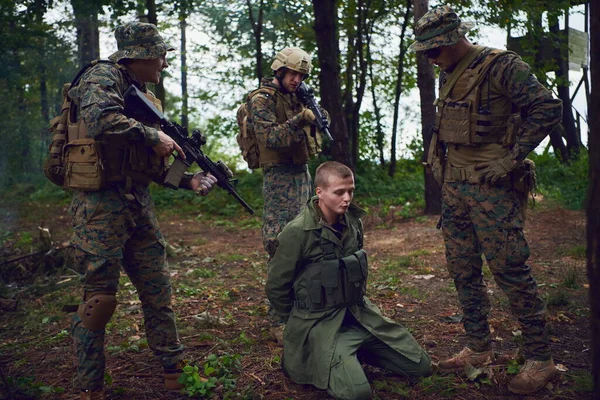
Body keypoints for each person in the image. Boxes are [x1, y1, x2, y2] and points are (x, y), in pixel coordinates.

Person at [409, 6, 563, 395]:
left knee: (510, 268)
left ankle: (540, 358)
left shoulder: (501, 66)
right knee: (462, 269)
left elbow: (548, 107)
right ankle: (478, 347)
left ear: (452, 39)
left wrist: (511, 159)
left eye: (433, 50)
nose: (430, 57)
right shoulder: (447, 71)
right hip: (455, 189)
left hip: (491, 189)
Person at [67, 22, 217, 400]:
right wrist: (155, 136)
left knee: (158, 290)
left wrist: (190, 180)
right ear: (140, 55)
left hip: (137, 204)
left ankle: (174, 372)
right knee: (99, 299)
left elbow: (151, 166)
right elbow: (101, 120)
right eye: (160, 55)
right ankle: (90, 387)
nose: (165, 62)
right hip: (99, 206)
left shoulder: (146, 97)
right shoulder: (103, 75)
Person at [266, 161, 432, 400]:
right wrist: (299, 320)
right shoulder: (297, 233)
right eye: (339, 192)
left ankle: (353, 355)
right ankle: (330, 357)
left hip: (358, 316)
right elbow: (276, 287)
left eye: (350, 191)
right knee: (358, 394)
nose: (347, 198)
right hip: (319, 323)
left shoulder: (353, 223)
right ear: (320, 192)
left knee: (420, 365)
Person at [247, 47, 328, 342]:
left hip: (301, 173)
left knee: (307, 237)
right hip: (279, 176)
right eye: (293, 73)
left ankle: (302, 307)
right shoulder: (261, 100)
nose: (297, 79)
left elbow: (314, 124)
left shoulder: (298, 97)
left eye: (302, 75)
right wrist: (300, 120)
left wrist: (318, 116)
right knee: (280, 245)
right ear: (279, 71)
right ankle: (278, 318)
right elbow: (270, 137)